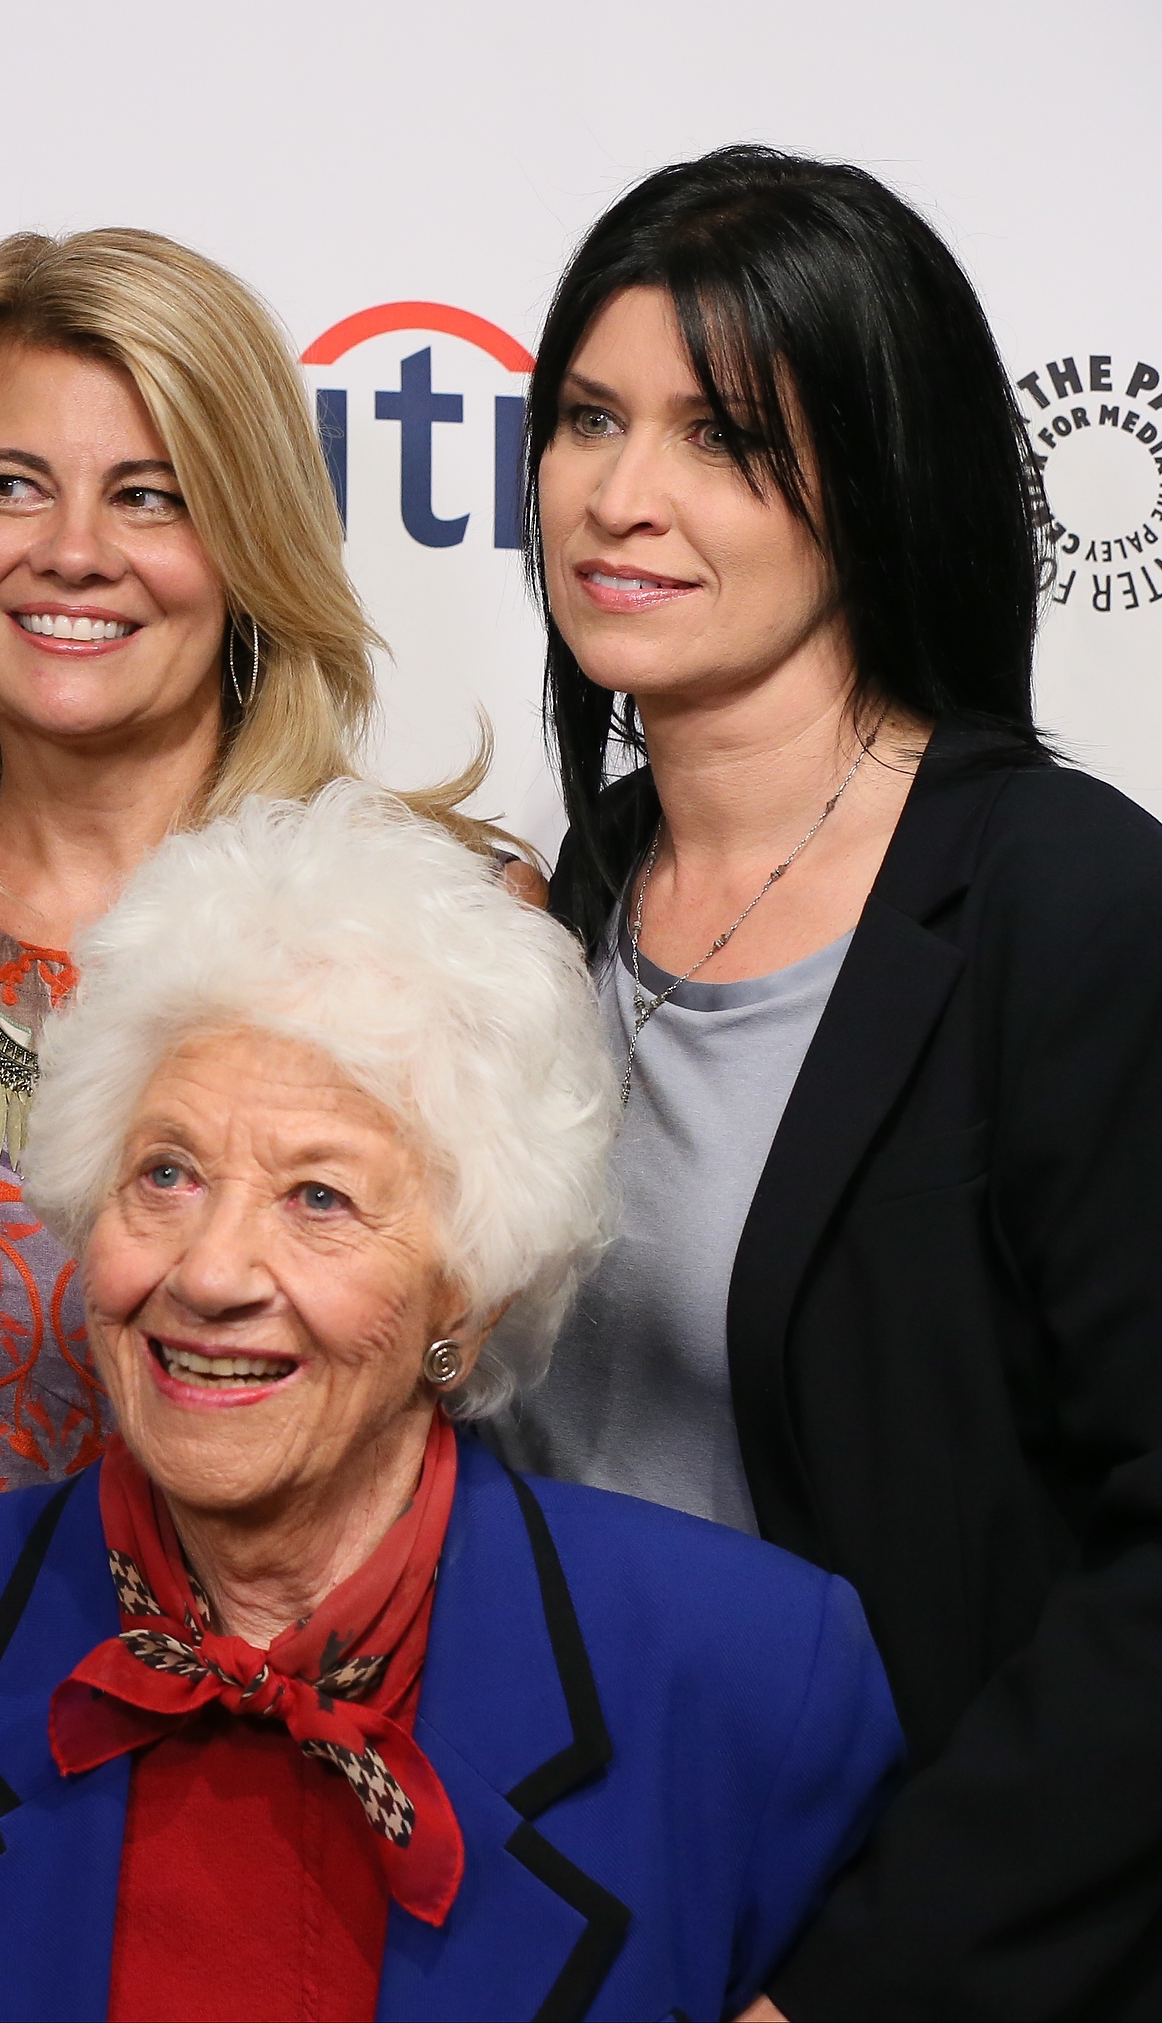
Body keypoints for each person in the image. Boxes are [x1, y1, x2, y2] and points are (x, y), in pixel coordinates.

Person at [0, 784, 902, 2023]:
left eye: (320, 1197)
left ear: (466, 1295)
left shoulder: (748, 1683)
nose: (211, 1270)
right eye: (166, 1175)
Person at [492, 144, 1162, 2018]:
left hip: (888, 1931)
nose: (622, 499)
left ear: (878, 480)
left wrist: (867, 1984)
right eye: (588, 420)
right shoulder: (587, 885)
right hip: (569, 1890)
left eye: (722, 437)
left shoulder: (1065, 904)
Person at [0, 228, 528, 1517]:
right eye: (9, 485)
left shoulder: (440, 920)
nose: (72, 550)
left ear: (250, 542)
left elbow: (482, 1382)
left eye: (150, 494)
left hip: (290, 1700)